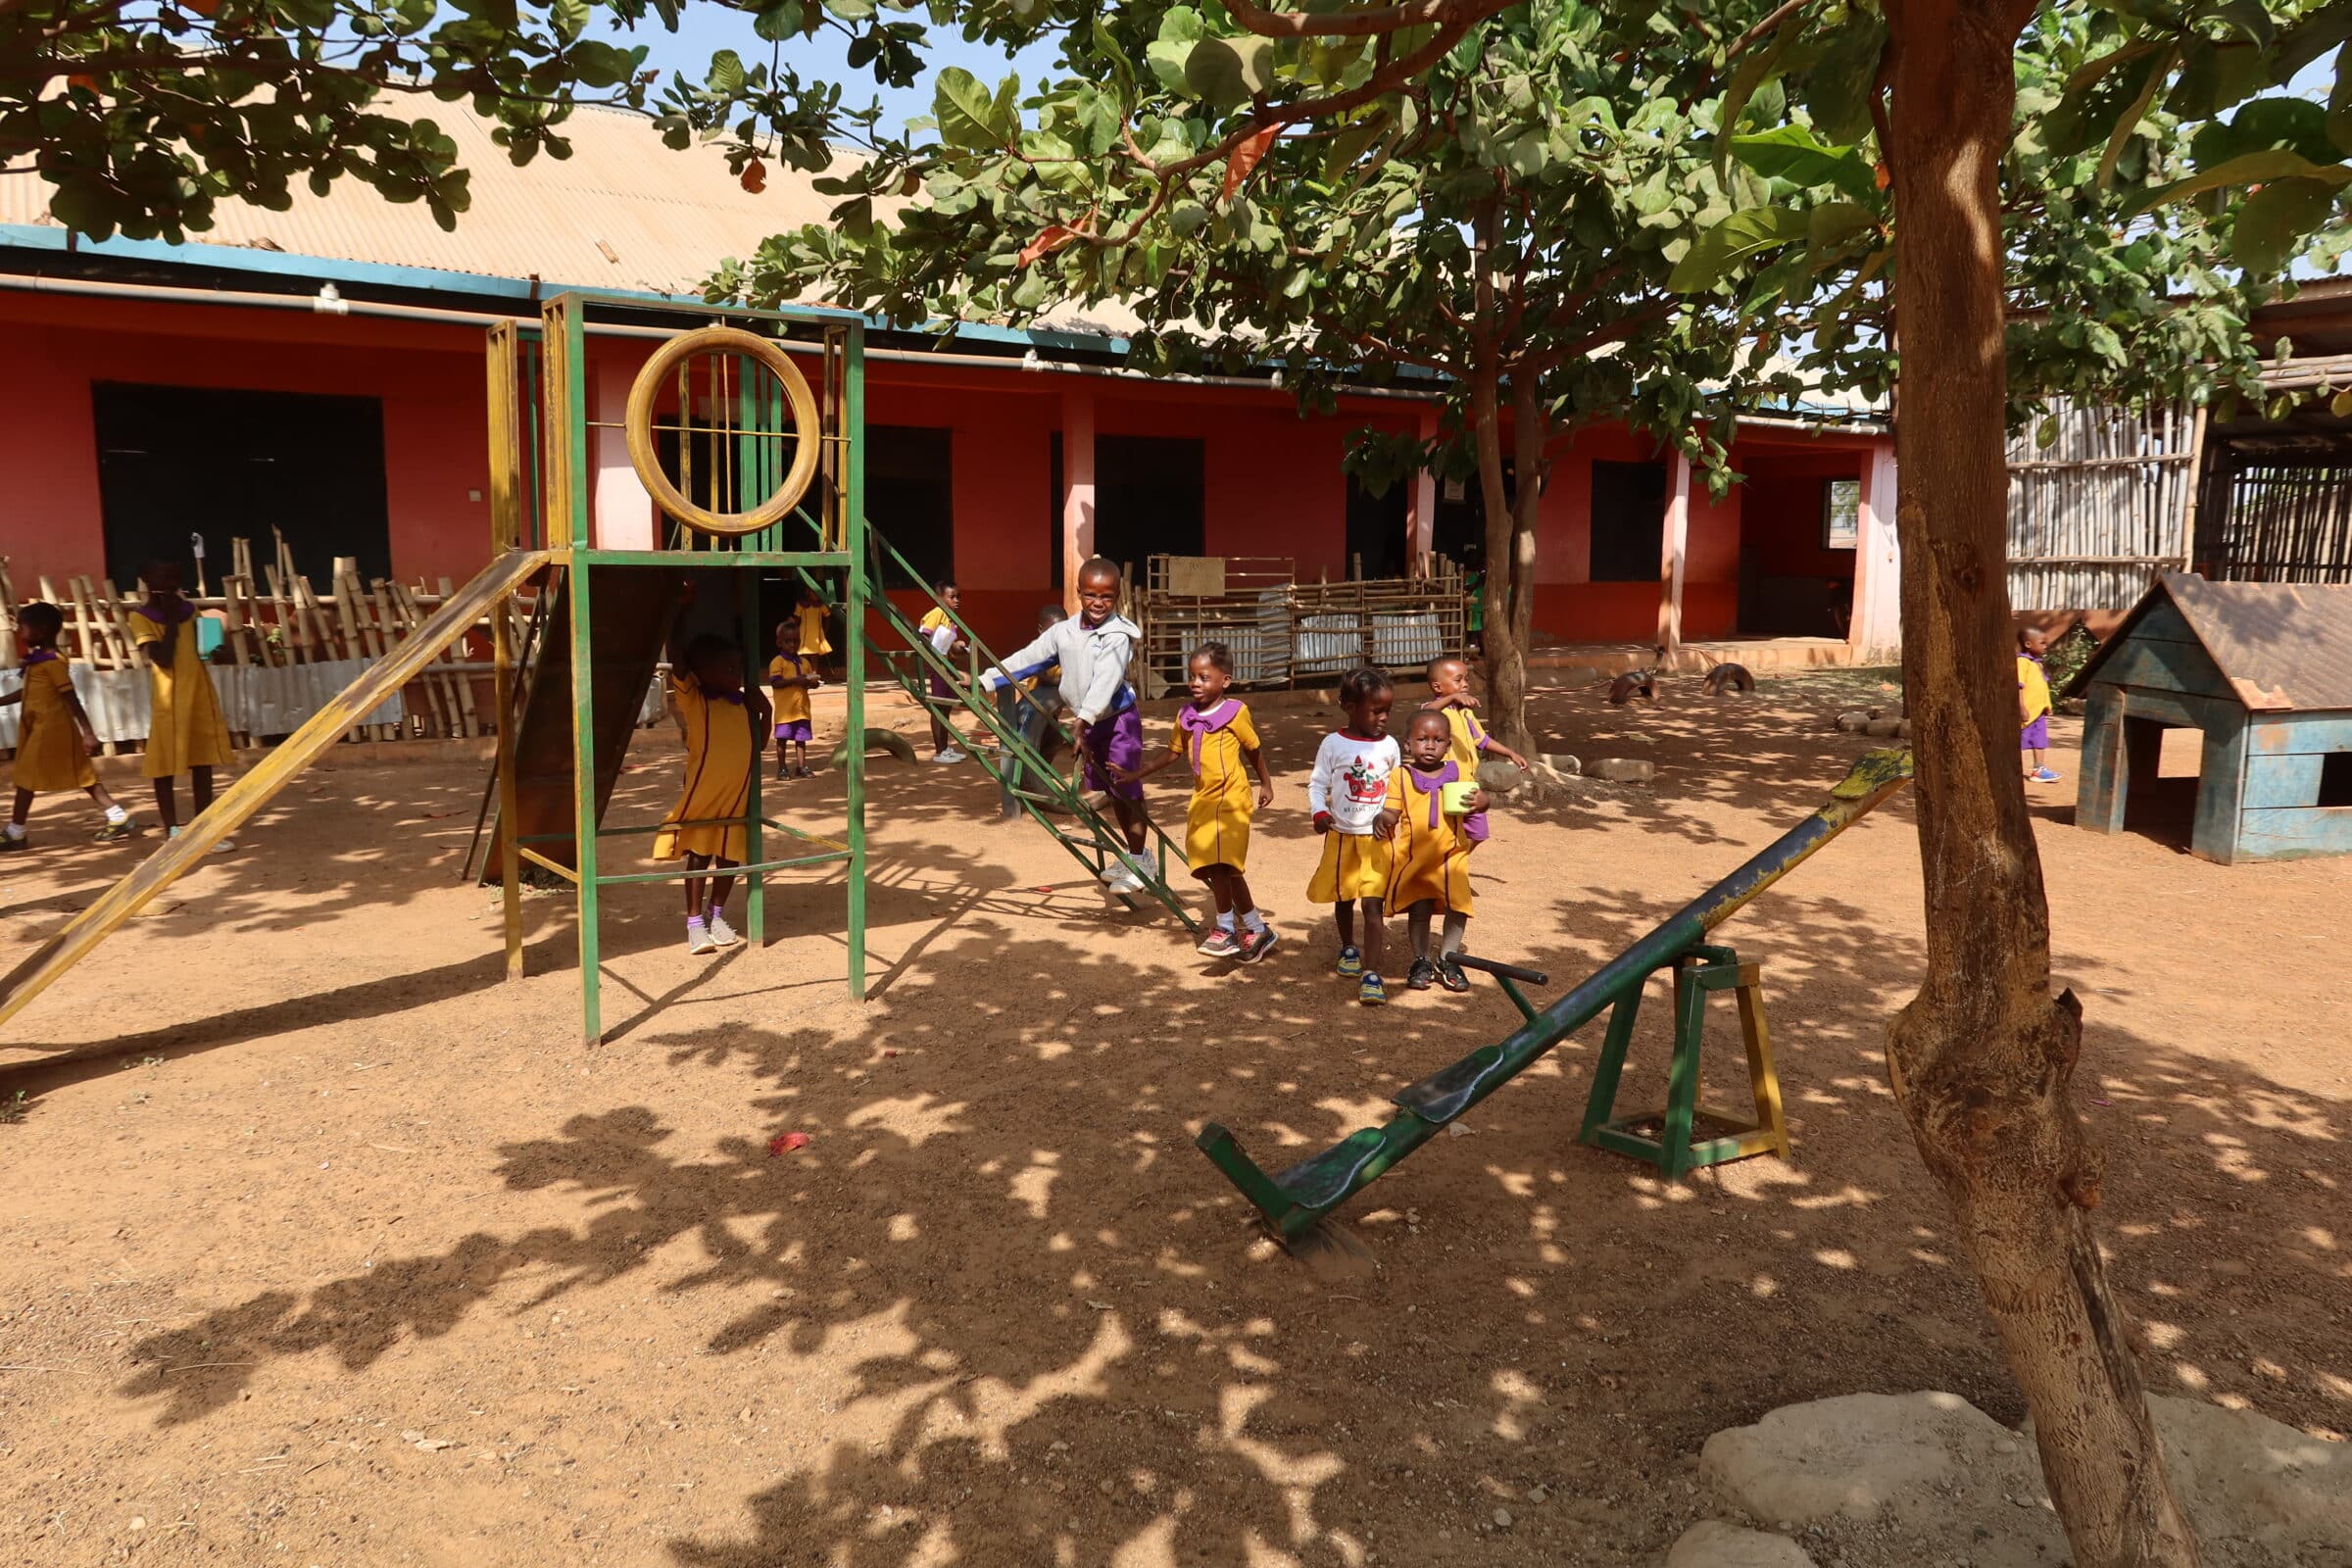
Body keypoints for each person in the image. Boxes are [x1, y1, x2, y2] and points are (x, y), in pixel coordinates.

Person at [978, 559, 1155, 894]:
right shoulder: (1064, 632)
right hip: (1091, 722)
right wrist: (986, 679)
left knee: (1127, 789)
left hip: (1118, 721)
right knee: (1111, 790)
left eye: (1106, 596)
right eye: (1090, 595)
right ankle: (1136, 855)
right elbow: (1028, 658)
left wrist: (1084, 717)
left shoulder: (1117, 636)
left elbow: (1107, 680)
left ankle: (1142, 861)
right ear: (1079, 593)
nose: (1098, 603)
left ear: (1116, 595)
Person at [1115, 642, 1277, 963]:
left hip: (1232, 799)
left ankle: (1225, 928)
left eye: (1204, 677)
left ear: (1225, 681)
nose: (1195, 683)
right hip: (1203, 800)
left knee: (1225, 863)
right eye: (1192, 677)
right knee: (1216, 867)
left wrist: (1266, 783)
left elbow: (1253, 748)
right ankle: (1257, 928)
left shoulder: (1236, 712)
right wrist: (1137, 773)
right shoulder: (1186, 714)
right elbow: (1173, 752)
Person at [653, 586, 768, 956]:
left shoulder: (740, 705)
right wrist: (680, 612)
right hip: (705, 796)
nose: (737, 674)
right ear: (704, 673)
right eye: (729, 668)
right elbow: (680, 659)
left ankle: (717, 915)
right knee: (700, 855)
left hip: (736, 796)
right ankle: (693, 923)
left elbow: (759, 746)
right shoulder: (696, 699)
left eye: (738, 667)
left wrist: (764, 713)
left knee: (730, 856)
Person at [1, 601, 135, 850]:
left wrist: (88, 733)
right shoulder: (40, 661)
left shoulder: (51, 662)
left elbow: (69, 696)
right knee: (81, 774)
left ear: (40, 630)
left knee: (26, 778)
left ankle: (15, 832)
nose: (20, 632)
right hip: (41, 728)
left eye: (23, 627)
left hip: (49, 729)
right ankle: (117, 815)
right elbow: (28, 692)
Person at [1307, 664, 1400, 1005]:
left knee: (1373, 904)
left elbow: (1397, 788)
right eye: (1376, 711)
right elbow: (1317, 784)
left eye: (1387, 711)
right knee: (1344, 896)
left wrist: (1392, 814)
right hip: (1342, 836)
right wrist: (1319, 812)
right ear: (1349, 707)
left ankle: (1371, 973)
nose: (1383, 718)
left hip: (1377, 841)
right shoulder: (1333, 744)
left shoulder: (1390, 745)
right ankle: (1348, 946)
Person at [129, 557, 234, 850]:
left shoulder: (193, 613)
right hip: (168, 700)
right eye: (166, 581)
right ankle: (173, 831)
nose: (173, 586)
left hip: (199, 695)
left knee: (203, 763)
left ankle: (203, 829)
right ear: (149, 584)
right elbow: (160, 657)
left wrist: (217, 640)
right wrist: (174, 622)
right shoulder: (141, 617)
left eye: (175, 580)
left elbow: (212, 652)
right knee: (164, 765)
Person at [1381, 710, 1486, 993]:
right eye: (1422, 739)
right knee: (1419, 909)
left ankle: (1447, 958)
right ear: (1407, 744)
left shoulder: (1459, 772)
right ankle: (1421, 960)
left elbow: (1474, 805)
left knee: (1459, 905)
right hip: (1415, 857)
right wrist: (1383, 819)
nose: (1430, 745)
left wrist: (1483, 802)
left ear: (1448, 746)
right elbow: (1392, 810)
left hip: (1452, 855)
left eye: (1438, 740)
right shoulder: (1400, 776)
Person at [1422, 655, 1528, 850]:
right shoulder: (1436, 713)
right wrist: (1452, 697)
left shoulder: (1465, 713)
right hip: (1445, 782)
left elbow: (1482, 740)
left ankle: (1456, 859)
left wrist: (1510, 753)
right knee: (1444, 830)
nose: (1464, 684)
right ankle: (1444, 864)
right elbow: (1424, 712)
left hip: (1467, 782)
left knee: (1478, 831)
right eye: (1458, 680)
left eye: (1466, 680)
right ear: (1437, 687)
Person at [994, 604, 1067, 819]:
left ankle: (1037, 780)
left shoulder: (1066, 649)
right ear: (1040, 631)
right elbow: (1044, 675)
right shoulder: (1039, 649)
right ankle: (1026, 785)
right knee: (1027, 750)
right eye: (1051, 631)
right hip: (1032, 709)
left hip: (1049, 713)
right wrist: (1068, 680)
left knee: (1053, 741)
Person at [918, 582, 967, 764]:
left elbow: (949, 645)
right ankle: (940, 751)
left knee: (946, 707)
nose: (956, 600)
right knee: (939, 707)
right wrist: (935, 658)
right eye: (951, 597)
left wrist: (959, 647)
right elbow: (923, 635)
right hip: (938, 666)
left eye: (958, 596)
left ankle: (945, 748)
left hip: (947, 665)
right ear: (939, 598)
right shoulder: (937, 613)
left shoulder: (950, 618)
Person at [767, 620, 821, 780]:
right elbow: (775, 683)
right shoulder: (778, 662)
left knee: (801, 739)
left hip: (801, 709)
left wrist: (813, 683)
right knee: (782, 739)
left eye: (796, 641)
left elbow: (809, 682)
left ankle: (801, 766)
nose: (792, 644)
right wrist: (795, 680)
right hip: (785, 711)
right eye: (787, 641)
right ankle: (782, 768)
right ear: (779, 642)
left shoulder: (805, 662)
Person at [2019, 626, 2059, 784]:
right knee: (2018, 740)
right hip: (2027, 712)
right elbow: (2019, 686)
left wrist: (2047, 705)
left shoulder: (2037, 664)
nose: (2045, 646)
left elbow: (2042, 687)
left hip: (2038, 712)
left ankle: (2039, 770)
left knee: (2040, 740)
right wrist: (2021, 708)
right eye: (2042, 643)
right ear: (2028, 644)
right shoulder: (2022, 662)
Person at [794, 582, 834, 677]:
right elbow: (796, 618)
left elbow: (828, 616)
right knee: (801, 654)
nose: (816, 594)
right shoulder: (801, 604)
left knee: (814, 656)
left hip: (816, 633)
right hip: (803, 632)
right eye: (813, 592)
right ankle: (801, 674)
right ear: (807, 592)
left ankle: (814, 675)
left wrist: (825, 629)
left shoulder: (821, 605)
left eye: (817, 592)